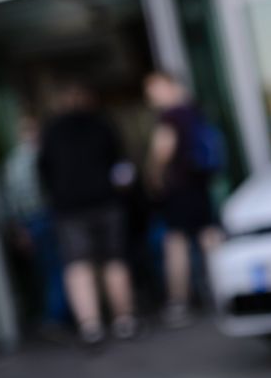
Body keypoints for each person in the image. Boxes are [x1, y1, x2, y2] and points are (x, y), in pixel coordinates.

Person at [38, 82, 138, 345]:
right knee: (114, 260)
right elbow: (120, 164)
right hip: (105, 202)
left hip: (69, 208)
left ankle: (90, 326)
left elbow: (43, 171)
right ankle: (123, 320)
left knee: (78, 266)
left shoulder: (52, 131)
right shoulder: (102, 125)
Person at [144, 72, 225, 329]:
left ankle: (179, 301)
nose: (150, 96)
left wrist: (152, 174)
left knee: (175, 243)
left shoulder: (170, 115)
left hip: (179, 189)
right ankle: (223, 289)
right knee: (208, 236)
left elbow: (163, 150)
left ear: (168, 86)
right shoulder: (193, 110)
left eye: (154, 88)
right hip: (199, 185)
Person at [3, 111, 68, 338]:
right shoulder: (38, 157)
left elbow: (11, 202)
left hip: (36, 219)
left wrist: (19, 229)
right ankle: (57, 316)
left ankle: (56, 315)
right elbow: (13, 200)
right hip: (43, 217)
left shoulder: (13, 162)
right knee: (56, 268)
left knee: (51, 269)